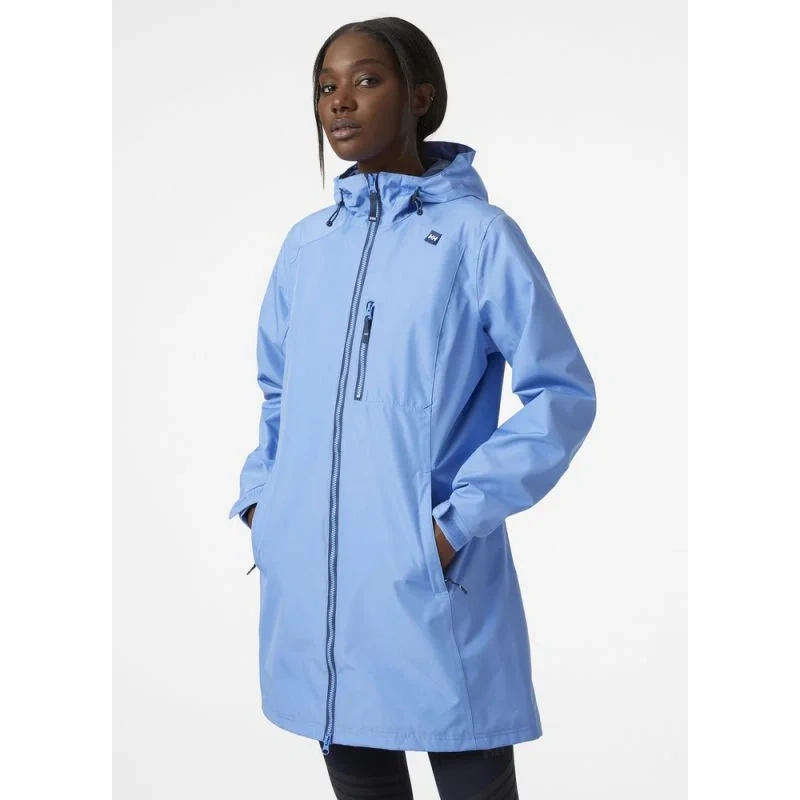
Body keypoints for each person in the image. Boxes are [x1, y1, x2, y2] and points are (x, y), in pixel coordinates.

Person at [228, 16, 597, 800]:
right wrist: (266, 503)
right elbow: (278, 390)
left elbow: (560, 395)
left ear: (420, 95)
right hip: (318, 586)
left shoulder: (477, 238)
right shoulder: (307, 246)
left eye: (366, 80)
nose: (339, 102)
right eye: (326, 87)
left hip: (425, 581)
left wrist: (452, 526)